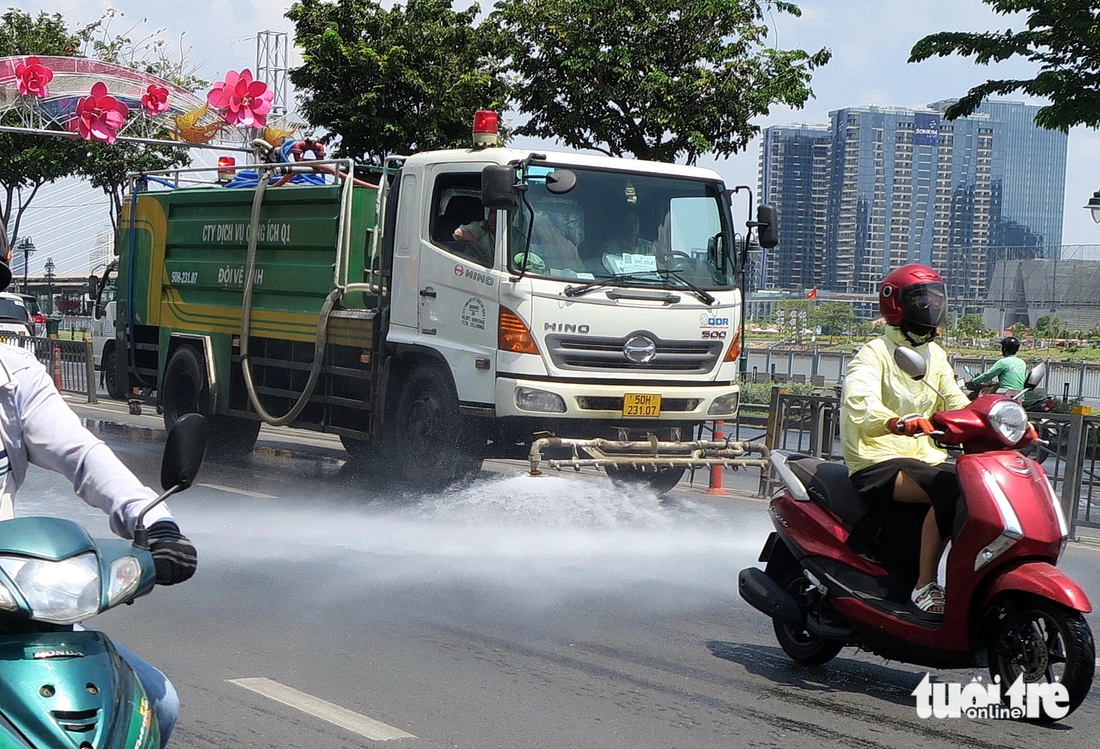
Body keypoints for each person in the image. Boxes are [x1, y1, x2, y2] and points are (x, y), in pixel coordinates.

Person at [0, 252, 196, 747]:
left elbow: (85, 456)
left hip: (12, 604)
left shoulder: (14, 375)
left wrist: (157, 523)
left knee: (157, 699)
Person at [839, 263, 970, 620]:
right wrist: (894, 422)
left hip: (922, 457)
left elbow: (956, 401)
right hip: (877, 459)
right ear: (896, 303)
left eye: (934, 298)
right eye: (921, 299)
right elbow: (859, 404)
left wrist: (991, 422)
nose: (930, 306)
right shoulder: (874, 353)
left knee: (975, 488)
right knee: (952, 488)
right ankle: (925, 583)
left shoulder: (935, 355)